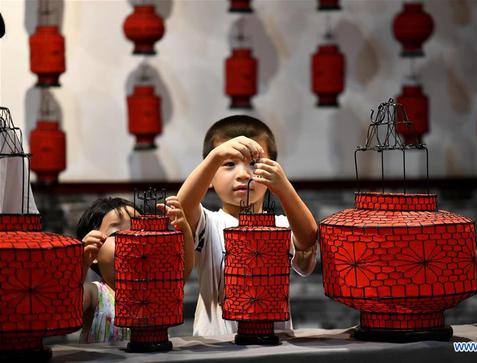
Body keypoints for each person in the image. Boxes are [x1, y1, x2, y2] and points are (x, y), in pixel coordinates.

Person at [177, 115, 318, 336]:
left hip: (275, 346)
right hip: (216, 347)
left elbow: (308, 238)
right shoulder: (209, 223)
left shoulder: (280, 225)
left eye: (254, 164)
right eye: (229, 164)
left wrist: (284, 187)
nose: (243, 175)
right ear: (210, 177)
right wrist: (215, 157)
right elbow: (183, 207)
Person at [78, 196, 193, 343]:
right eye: (117, 234)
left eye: (139, 231)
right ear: (93, 252)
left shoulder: (155, 290)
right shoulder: (94, 293)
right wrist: (81, 264)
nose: (132, 241)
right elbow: (67, 305)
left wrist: (184, 229)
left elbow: (182, 270)